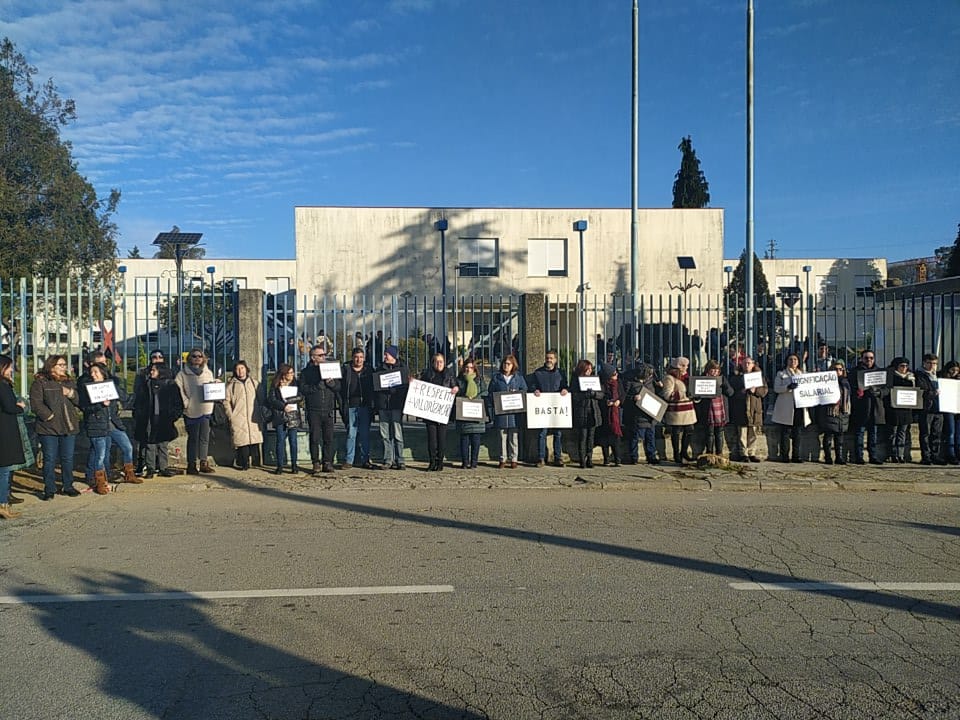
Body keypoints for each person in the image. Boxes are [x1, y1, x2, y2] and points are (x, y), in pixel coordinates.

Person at [79, 362, 138, 494]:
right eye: (92, 372)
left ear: (103, 373)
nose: (93, 375)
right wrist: (100, 404)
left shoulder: (110, 385)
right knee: (100, 455)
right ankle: (100, 482)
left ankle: (129, 473)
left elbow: (125, 398)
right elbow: (85, 408)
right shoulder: (87, 388)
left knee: (127, 446)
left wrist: (117, 392)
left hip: (113, 423)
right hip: (98, 425)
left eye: (96, 372)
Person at [30, 354, 81, 500]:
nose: (64, 367)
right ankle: (49, 488)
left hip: (68, 425)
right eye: (61, 365)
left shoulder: (69, 382)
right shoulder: (41, 382)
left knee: (67, 458)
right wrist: (48, 416)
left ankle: (68, 485)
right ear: (51, 366)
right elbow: (36, 403)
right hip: (48, 427)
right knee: (50, 458)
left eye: (65, 365)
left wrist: (70, 393)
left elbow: (79, 400)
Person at [133, 363, 181, 478]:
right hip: (149, 419)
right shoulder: (146, 385)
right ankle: (150, 468)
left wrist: (173, 416)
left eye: (154, 370)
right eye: (151, 370)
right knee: (150, 444)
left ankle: (163, 467)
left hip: (164, 419)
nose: (151, 372)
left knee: (162, 444)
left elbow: (178, 403)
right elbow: (138, 402)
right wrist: (139, 415)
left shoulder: (170, 385)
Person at [300, 344, 342, 474]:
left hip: (328, 408)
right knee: (315, 437)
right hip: (314, 409)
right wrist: (316, 387)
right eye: (320, 355)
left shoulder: (330, 369)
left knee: (328, 438)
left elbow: (338, 387)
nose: (323, 357)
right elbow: (303, 389)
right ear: (313, 358)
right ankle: (315, 462)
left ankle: (327, 462)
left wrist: (332, 383)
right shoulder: (306, 372)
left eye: (324, 355)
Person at [175, 348, 216, 475]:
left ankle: (203, 462)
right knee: (193, 438)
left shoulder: (208, 372)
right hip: (191, 410)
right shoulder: (182, 374)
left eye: (200, 356)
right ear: (189, 358)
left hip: (206, 408)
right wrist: (186, 403)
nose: (197, 358)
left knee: (204, 437)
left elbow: (211, 387)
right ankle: (191, 464)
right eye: (194, 356)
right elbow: (179, 390)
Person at [529, 349, 570, 467]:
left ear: (555, 360)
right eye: (547, 358)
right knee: (542, 433)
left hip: (557, 407)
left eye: (551, 358)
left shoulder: (561, 373)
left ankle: (558, 458)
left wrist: (565, 390)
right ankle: (541, 458)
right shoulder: (538, 373)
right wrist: (534, 390)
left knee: (558, 433)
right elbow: (532, 386)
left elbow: (565, 386)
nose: (549, 360)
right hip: (543, 407)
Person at [419, 353, 459, 471]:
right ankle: (432, 461)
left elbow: (456, 385)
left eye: (441, 361)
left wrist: (456, 388)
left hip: (443, 413)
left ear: (444, 363)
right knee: (432, 439)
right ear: (433, 363)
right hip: (430, 412)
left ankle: (440, 462)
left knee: (441, 439)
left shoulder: (449, 374)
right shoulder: (427, 374)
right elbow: (420, 387)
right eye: (436, 361)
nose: (439, 364)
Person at [487, 354, 527, 469]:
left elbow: (524, 390)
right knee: (502, 437)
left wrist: (517, 394)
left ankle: (514, 459)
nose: (506, 366)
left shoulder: (518, 378)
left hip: (514, 414)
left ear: (513, 365)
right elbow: (490, 393)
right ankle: (502, 459)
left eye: (508, 364)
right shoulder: (496, 378)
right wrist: (495, 401)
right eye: (504, 363)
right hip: (501, 413)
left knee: (514, 436)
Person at [340, 347, 376, 469]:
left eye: (361, 357)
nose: (358, 360)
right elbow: (340, 388)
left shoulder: (369, 370)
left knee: (365, 434)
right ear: (352, 357)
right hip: (351, 406)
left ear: (364, 358)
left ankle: (366, 459)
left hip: (365, 406)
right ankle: (349, 460)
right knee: (351, 434)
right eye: (356, 357)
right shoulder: (346, 370)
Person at [224, 360, 264, 471]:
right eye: (238, 369)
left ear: (246, 369)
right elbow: (226, 401)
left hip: (253, 416)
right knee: (242, 442)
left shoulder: (254, 383)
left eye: (242, 368)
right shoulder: (231, 385)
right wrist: (230, 415)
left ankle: (256, 462)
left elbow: (261, 399)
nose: (240, 371)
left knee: (254, 440)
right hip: (238, 417)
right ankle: (244, 463)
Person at [374, 345, 408, 469]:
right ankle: (388, 459)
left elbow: (405, 386)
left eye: (386, 354)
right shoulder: (379, 369)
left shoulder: (402, 368)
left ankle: (400, 459)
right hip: (383, 406)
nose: (384, 356)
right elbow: (376, 387)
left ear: (393, 355)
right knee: (385, 434)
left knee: (397, 433)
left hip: (396, 405)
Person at [133, 349, 167, 474]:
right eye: (154, 356)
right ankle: (143, 464)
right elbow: (137, 391)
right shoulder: (143, 374)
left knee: (162, 442)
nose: (157, 358)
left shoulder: (167, 373)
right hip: (146, 412)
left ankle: (160, 464)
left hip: (161, 413)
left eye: (160, 356)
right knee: (145, 441)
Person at [850, 349, 886, 465]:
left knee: (873, 434)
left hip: (875, 408)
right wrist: (858, 392)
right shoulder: (855, 372)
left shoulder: (880, 372)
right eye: (866, 358)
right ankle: (859, 456)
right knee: (859, 433)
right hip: (861, 407)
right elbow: (851, 387)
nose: (869, 360)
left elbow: (887, 389)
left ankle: (873, 456)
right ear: (861, 359)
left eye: (871, 358)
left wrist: (879, 393)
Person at [621, 363, 661, 465]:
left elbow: (658, 394)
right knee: (635, 437)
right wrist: (633, 398)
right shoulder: (630, 382)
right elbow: (623, 398)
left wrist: (660, 387)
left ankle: (651, 455)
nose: (651, 376)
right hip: (636, 414)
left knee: (650, 436)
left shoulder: (651, 381)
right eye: (649, 374)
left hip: (649, 414)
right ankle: (633, 457)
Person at [729, 356, 767, 463]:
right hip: (741, 408)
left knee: (753, 432)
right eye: (745, 363)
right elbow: (732, 393)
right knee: (742, 432)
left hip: (754, 409)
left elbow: (764, 391)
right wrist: (741, 392)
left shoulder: (759, 377)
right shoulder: (736, 378)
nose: (747, 365)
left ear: (753, 364)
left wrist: (755, 390)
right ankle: (743, 453)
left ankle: (752, 453)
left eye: (749, 363)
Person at [773, 353, 810, 462]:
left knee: (797, 433)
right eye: (790, 359)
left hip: (799, 407)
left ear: (798, 362)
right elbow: (776, 388)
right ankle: (785, 455)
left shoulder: (802, 374)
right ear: (787, 361)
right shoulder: (781, 374)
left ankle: (796, 455)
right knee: (785, 432)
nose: (793, 361)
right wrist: (787, 387)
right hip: (786, 407)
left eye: (795, 359)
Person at [0, 355, 25, 519]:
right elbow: (9, 407)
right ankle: (3, 503)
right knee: (4, 470)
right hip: (4, 431)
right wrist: (20, 406)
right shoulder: (3, 386)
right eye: (9, 367)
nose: (11, 370)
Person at [266, 364, 303, 474]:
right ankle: (280, 465)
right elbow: (271, 399)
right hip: (280, 414)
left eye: (292, 373)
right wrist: (283, 406)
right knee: (280, 440)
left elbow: (300, 396)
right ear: (284, 374)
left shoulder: (295, 383)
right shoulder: (275, 384)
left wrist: (288, 400)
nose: (292, 375)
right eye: (290, 373)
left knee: (293, 440)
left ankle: (294, 465)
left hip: (292, 414)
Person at [660, 356, 696, 465]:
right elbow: (667, 395)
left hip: (688, 409)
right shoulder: (670, 378)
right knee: (676, 432)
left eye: (687, 366)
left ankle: (684, 452)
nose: (686, 368)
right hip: (677, 411)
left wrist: (695, 394)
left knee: (690, 429)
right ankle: (676, 454)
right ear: (678, 366)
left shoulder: (687, 377)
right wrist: (683, 394)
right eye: (684, 366)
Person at [695, 359, 734, 457]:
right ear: (708, 370)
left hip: (720, 410)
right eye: (713, 370)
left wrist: (724, 385)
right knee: (709, 432)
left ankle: (719, 452)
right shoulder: (702, 379)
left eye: (717, 370)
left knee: (719, 432)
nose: (715, 372)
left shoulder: (722, 379)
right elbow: (696, 395)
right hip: (708, 410)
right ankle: (709, 452)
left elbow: (731, 393)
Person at [571, 359, 604, 469]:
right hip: (582, 412)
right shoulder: (576, 380)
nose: (589, 371)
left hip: (593, 412)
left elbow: (601, 394)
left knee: (591, 437)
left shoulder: (594, 379)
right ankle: (582, 460)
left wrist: (594, 394)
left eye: (591, 369)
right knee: (583, 437)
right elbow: (574, 396)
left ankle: (589, 458)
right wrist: (584, 395)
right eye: (587, 369)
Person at [816, 360, 851, 464]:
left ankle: (839, 457)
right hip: (830, 411)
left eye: (840, 369)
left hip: (842, 411)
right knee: (828, 435)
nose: (838, 371)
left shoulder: (845, 382)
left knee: (840, 436)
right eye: (835, 369)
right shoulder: (826, 382)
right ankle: (828, 457)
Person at [916, 353, 945, 465]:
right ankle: (926, 456)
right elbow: (921, 391)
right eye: (930, 363)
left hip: (939, 409)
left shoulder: (938, 376)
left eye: (935, 363)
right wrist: (934, 393)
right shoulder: (920, 375)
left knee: (937, 434)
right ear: (924, 363)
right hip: (926, 409)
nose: (932, 366)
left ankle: (935, 455)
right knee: (925, 434)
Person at [456, 358, 485, 469]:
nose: (468, 369)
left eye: (471, 367)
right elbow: (456, 393)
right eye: (466, 367)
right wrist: (464, 397)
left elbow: (485, 392)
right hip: (464, 412)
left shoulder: (479, 380)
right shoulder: (459, 380)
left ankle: (474, 462)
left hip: (476, 413)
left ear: (474, 369)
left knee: (476, 439)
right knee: (464, 439)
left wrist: (476, 397)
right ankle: (465, 462)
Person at [885, 357, 916, 463]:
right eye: (902, 366)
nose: (904, 368)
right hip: (894, 409)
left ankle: (901, 454)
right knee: (892, 432)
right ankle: (893, 454)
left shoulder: (911, 378)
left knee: (902, 432)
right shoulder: (891, 377)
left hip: (906, 409)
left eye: (906, 366)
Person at [596, 363, 624, 466]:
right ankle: (606, 459)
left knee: (616, 438)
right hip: (605, 414)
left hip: (615, 415)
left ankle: (617, 459)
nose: (616, 375)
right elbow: (600, 397)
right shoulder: (602, 384)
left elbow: (622, 394)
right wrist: (606, 402)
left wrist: (619, 401)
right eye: (614, 374)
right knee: (605, 439)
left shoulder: (618, 383)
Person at [939, 360, 960, 464]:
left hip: (958, 408)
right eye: (952, 369)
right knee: (950, 432)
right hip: (948, 408)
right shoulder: (943, 379)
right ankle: (950, 454)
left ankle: (958, 453)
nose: (954, 372)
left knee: (958, 433)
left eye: (956, 370)